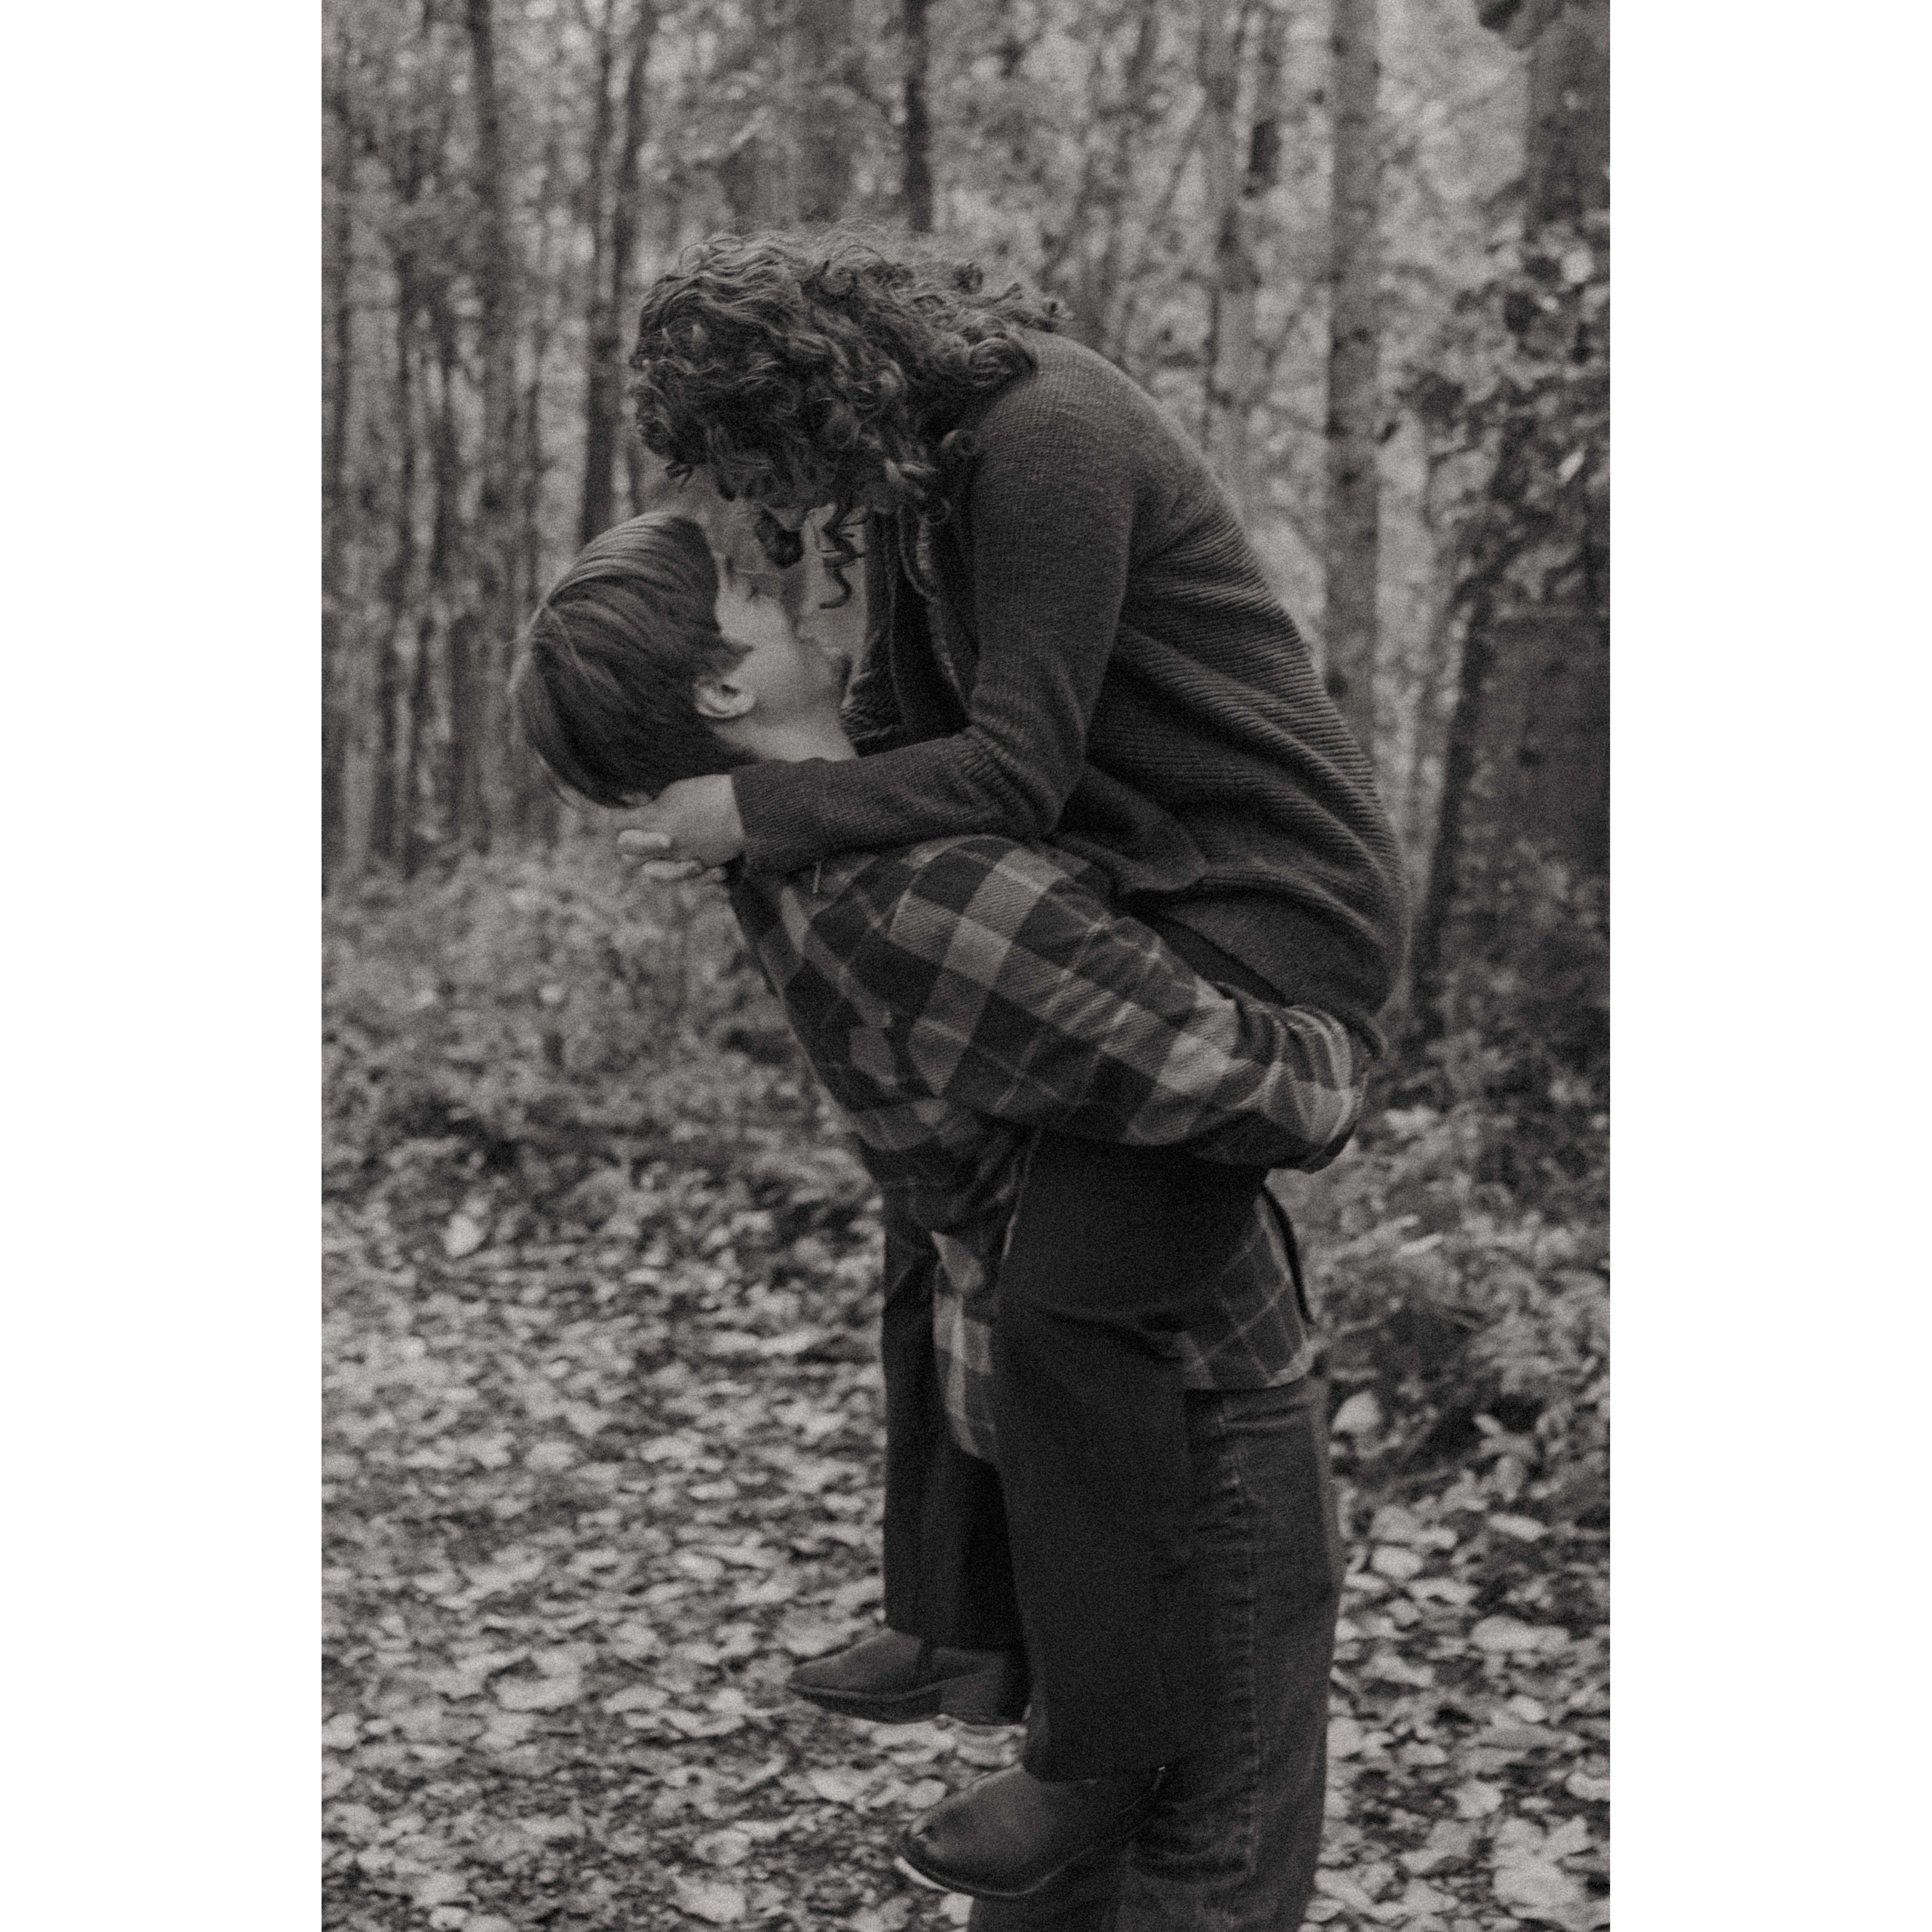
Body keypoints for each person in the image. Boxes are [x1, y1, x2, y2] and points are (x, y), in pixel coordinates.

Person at [611, 228, 1406, 1838]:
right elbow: (911, 730)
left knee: (1064, 1302)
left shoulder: (1044, 438)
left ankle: (1101, 1755)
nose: (758, 498)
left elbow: (1012, 771)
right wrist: (785, 787)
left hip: (1260, 909)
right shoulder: (920, 474)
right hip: (1138, 889)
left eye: (750, 456)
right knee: (933, 1222)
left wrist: (760, 807)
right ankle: (956, 1623)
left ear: (805, 389)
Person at [510, 511, 1354, 1924]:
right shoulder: (923, 892)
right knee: (1207, 1850)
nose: (791, 583)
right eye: (748, 588)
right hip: (1188, 1400)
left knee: (1070, 1863)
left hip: (1024, 1381)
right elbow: (1269, 1094)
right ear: (723, 686)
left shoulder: (792, 855)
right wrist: (1341, 1019)